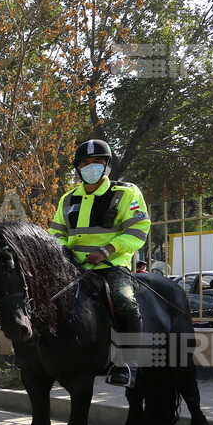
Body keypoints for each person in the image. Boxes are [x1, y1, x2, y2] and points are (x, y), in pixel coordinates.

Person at [48, 139, 150, 387]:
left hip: (111, 267)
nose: (91, 167)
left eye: (96, 162)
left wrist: (106, 250)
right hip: (73, 269)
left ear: (107, 166)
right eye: (85, 163)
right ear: (78, 168)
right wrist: (61, 250)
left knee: (124, 301)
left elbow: (138, 229)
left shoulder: (126, 193)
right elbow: (56, 233)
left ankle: (127, 364)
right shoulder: (68, 199)